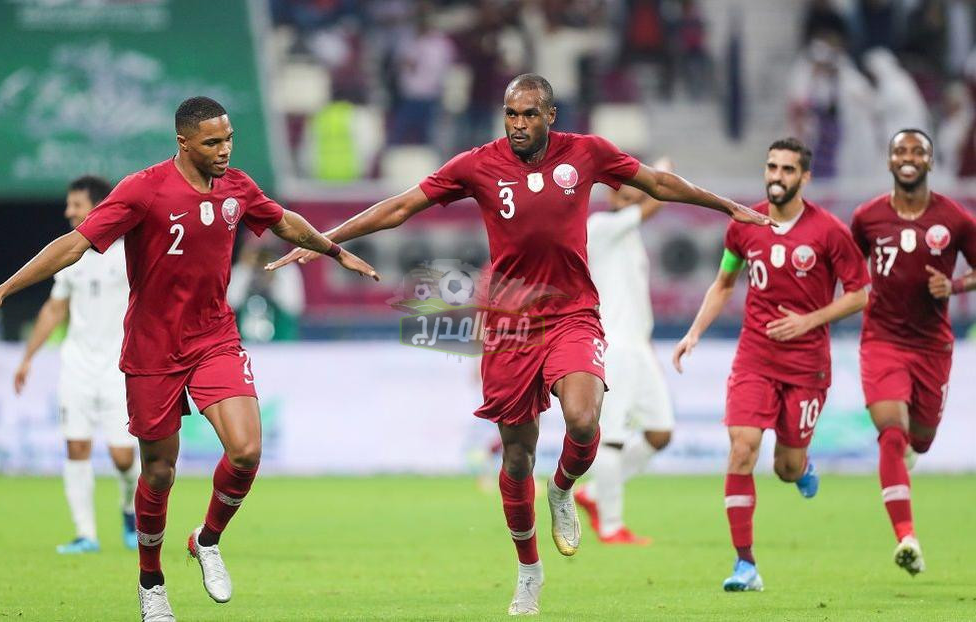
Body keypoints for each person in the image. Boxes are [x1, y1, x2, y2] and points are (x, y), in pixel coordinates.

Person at [266, 73, 772, 615]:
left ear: (551, 116)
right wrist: (325, 241)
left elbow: (658, 184)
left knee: (583, 419)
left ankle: (561, 490)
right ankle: (529, 571)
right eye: (511, 114)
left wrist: (727, 207)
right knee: (515, 455)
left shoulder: (586, 153)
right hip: (509, 326)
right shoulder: (479, 164)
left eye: (529, 114)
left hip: (572, 314)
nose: (518, 125)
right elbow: (400, 207)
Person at [0, 96, 378, 622]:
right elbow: (74, 244)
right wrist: (2, 292)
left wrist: (333, 249)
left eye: (228, 138)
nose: (224, 150)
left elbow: (283, 220)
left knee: (246, 451)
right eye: (212, 142)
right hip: (152, 348)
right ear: (183, 142)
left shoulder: (238, 187)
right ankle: (151, 582)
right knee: (159, 472)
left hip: (214, 339)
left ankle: (206, 540)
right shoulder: (144, 189)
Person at [672, 137, 870, 593]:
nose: (777, 176)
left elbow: (859, 294)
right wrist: (695, 332)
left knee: (785, 466)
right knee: (742, 449)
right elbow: (724, 282)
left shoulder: (829, 232)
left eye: (786, 170)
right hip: (754, 358)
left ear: (804, 178)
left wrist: (809, 321)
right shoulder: (744, 224)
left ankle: (801, 470)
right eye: (772, 167)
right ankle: (746, 564)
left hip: (807, 367)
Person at [850, 129, 976, 576]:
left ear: (930, 161)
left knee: (919, 438)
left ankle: (905, 457)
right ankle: (906, 537)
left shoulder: (955, 219)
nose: (908, 157)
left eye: (917, 151)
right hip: (881, 340)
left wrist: (956, 285)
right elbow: (848, 270)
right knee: (891, 433)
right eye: (900, 151)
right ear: (889, 163)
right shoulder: (867, 218)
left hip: (932, 346)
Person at [13, 175, 139, 554]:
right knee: (77, 447)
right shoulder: (71, 258)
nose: (68, 212)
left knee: (122, 456)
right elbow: (55, 308)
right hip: (77, 366)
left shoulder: (128, 255)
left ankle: (129, 511)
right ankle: (86, 534)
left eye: (76, 204)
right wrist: (28, 357)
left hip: (119, 368)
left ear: (98, 208)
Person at [573, 158, 675, 545]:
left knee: (660, 433)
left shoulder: (627, 232)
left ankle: (595, 492)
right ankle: (612, 526)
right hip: (613, 344)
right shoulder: (600, 227)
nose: (634, 195)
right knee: (612, 435)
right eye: (629, 188)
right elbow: (654, 204)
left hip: (638, 345)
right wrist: (662, 178)